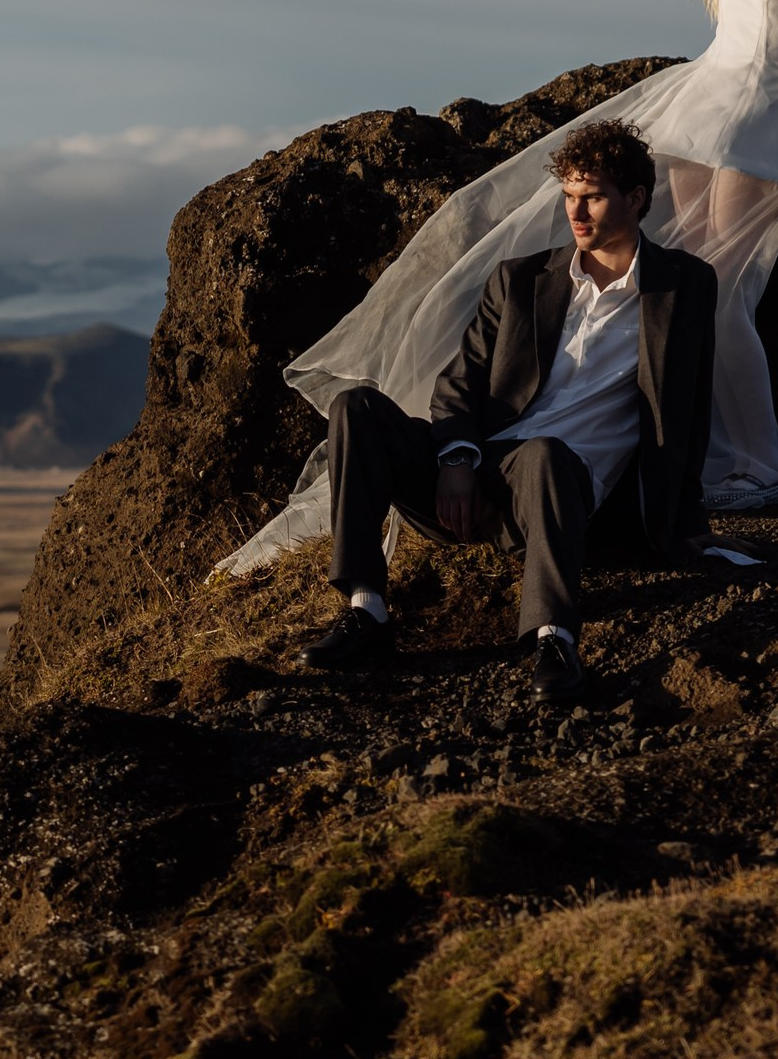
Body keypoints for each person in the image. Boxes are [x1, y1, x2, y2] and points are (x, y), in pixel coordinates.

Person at [221, 0, 778, 592]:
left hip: (758, 121)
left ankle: (764, 467)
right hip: (703, 107)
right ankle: (725, 461)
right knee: (690, 292)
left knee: (722, 297)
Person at [296, 119, 715, 704]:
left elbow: (689, 409)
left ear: (637, 198)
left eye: (592, 196)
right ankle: (367, 609)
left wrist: (687, 524)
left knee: (545, 454)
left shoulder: (683, 286)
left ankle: (555, 639)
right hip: (482, 477)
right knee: (355, 407)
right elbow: (458, 386)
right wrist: (458, 459)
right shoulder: (520, 281)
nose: (577, 212)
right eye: (569, 196)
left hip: (559, 492)